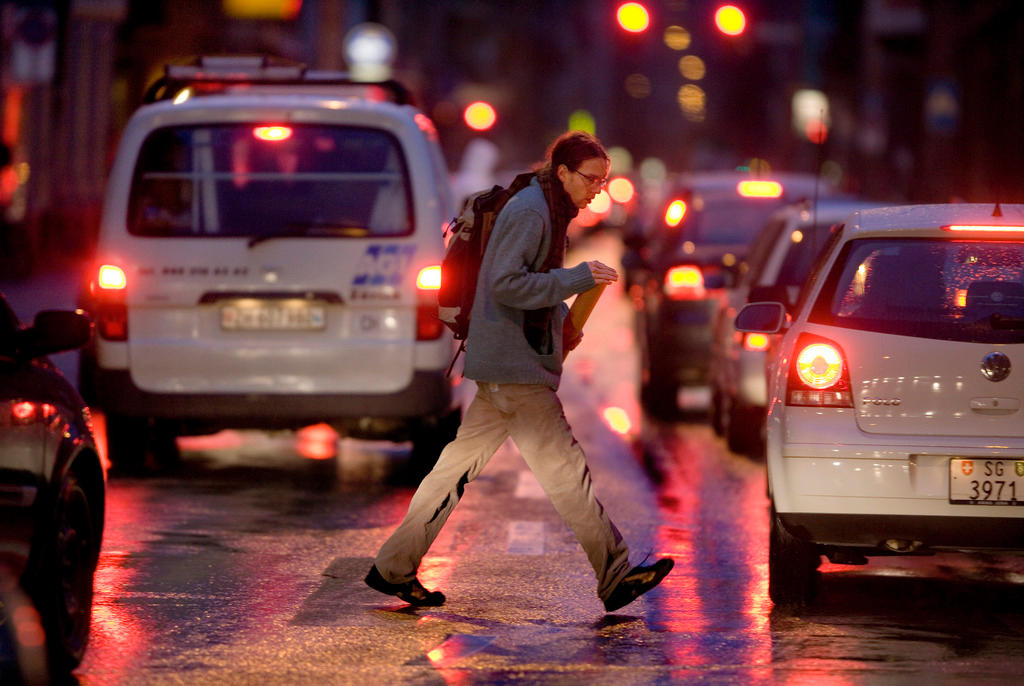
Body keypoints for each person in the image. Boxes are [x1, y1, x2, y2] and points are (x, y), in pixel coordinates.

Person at [365, 131, 673, 613]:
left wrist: (561, 325)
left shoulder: (546, 206)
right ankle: (614, 576)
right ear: (565, 173)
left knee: (450, 472)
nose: (598, 189)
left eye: (604, 180)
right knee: (567, 475)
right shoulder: (533, 210)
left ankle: (393, 567)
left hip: (506, 361)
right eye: (591, 179)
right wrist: (577, 278)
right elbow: (507, 283)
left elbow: (520, 284)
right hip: (515, 367)